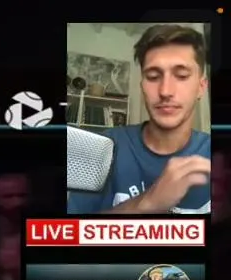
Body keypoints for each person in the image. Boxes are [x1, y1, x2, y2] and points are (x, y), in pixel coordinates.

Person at [67, 24, 212, 215]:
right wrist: (147, 203)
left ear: (201, 87)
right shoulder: (99, 149)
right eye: (153, 76)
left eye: (181, 75)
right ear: (142, 86)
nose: (165, 91)